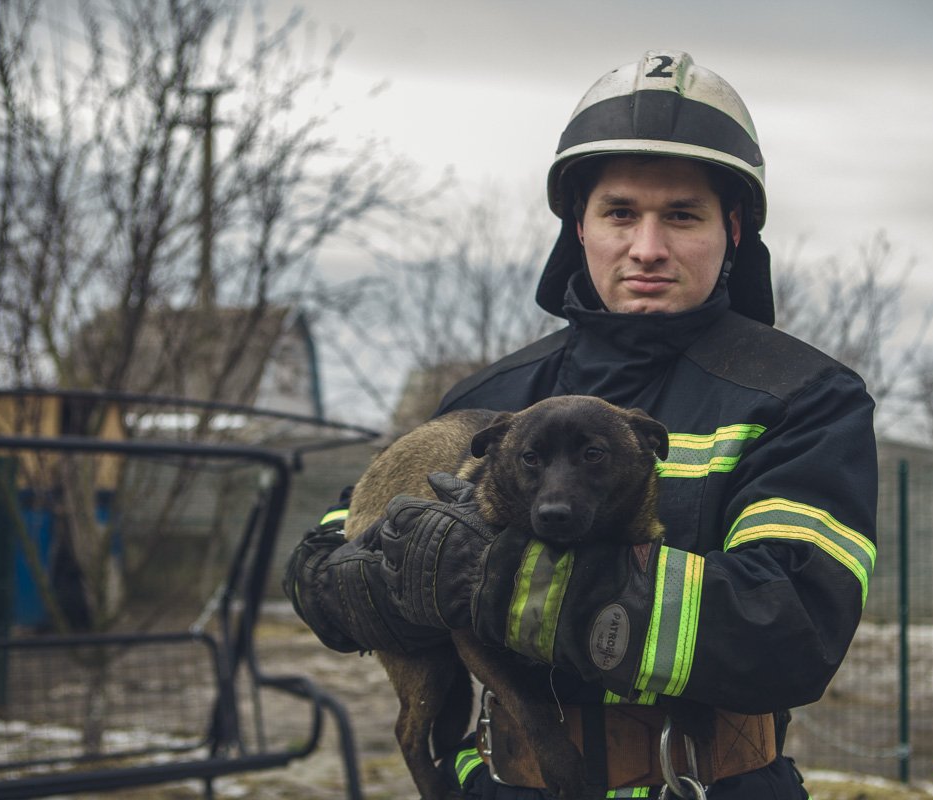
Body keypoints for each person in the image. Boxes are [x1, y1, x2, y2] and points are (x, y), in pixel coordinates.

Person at [285, 50, 877, 800]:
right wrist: (336, 583)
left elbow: (790, 628)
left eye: (683, 216)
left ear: (732, 227)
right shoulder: (493, 397)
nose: (648, 248)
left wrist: (504, 581)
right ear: (579, 224)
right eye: (620, 212)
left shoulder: (803, 399)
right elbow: (356, 523)